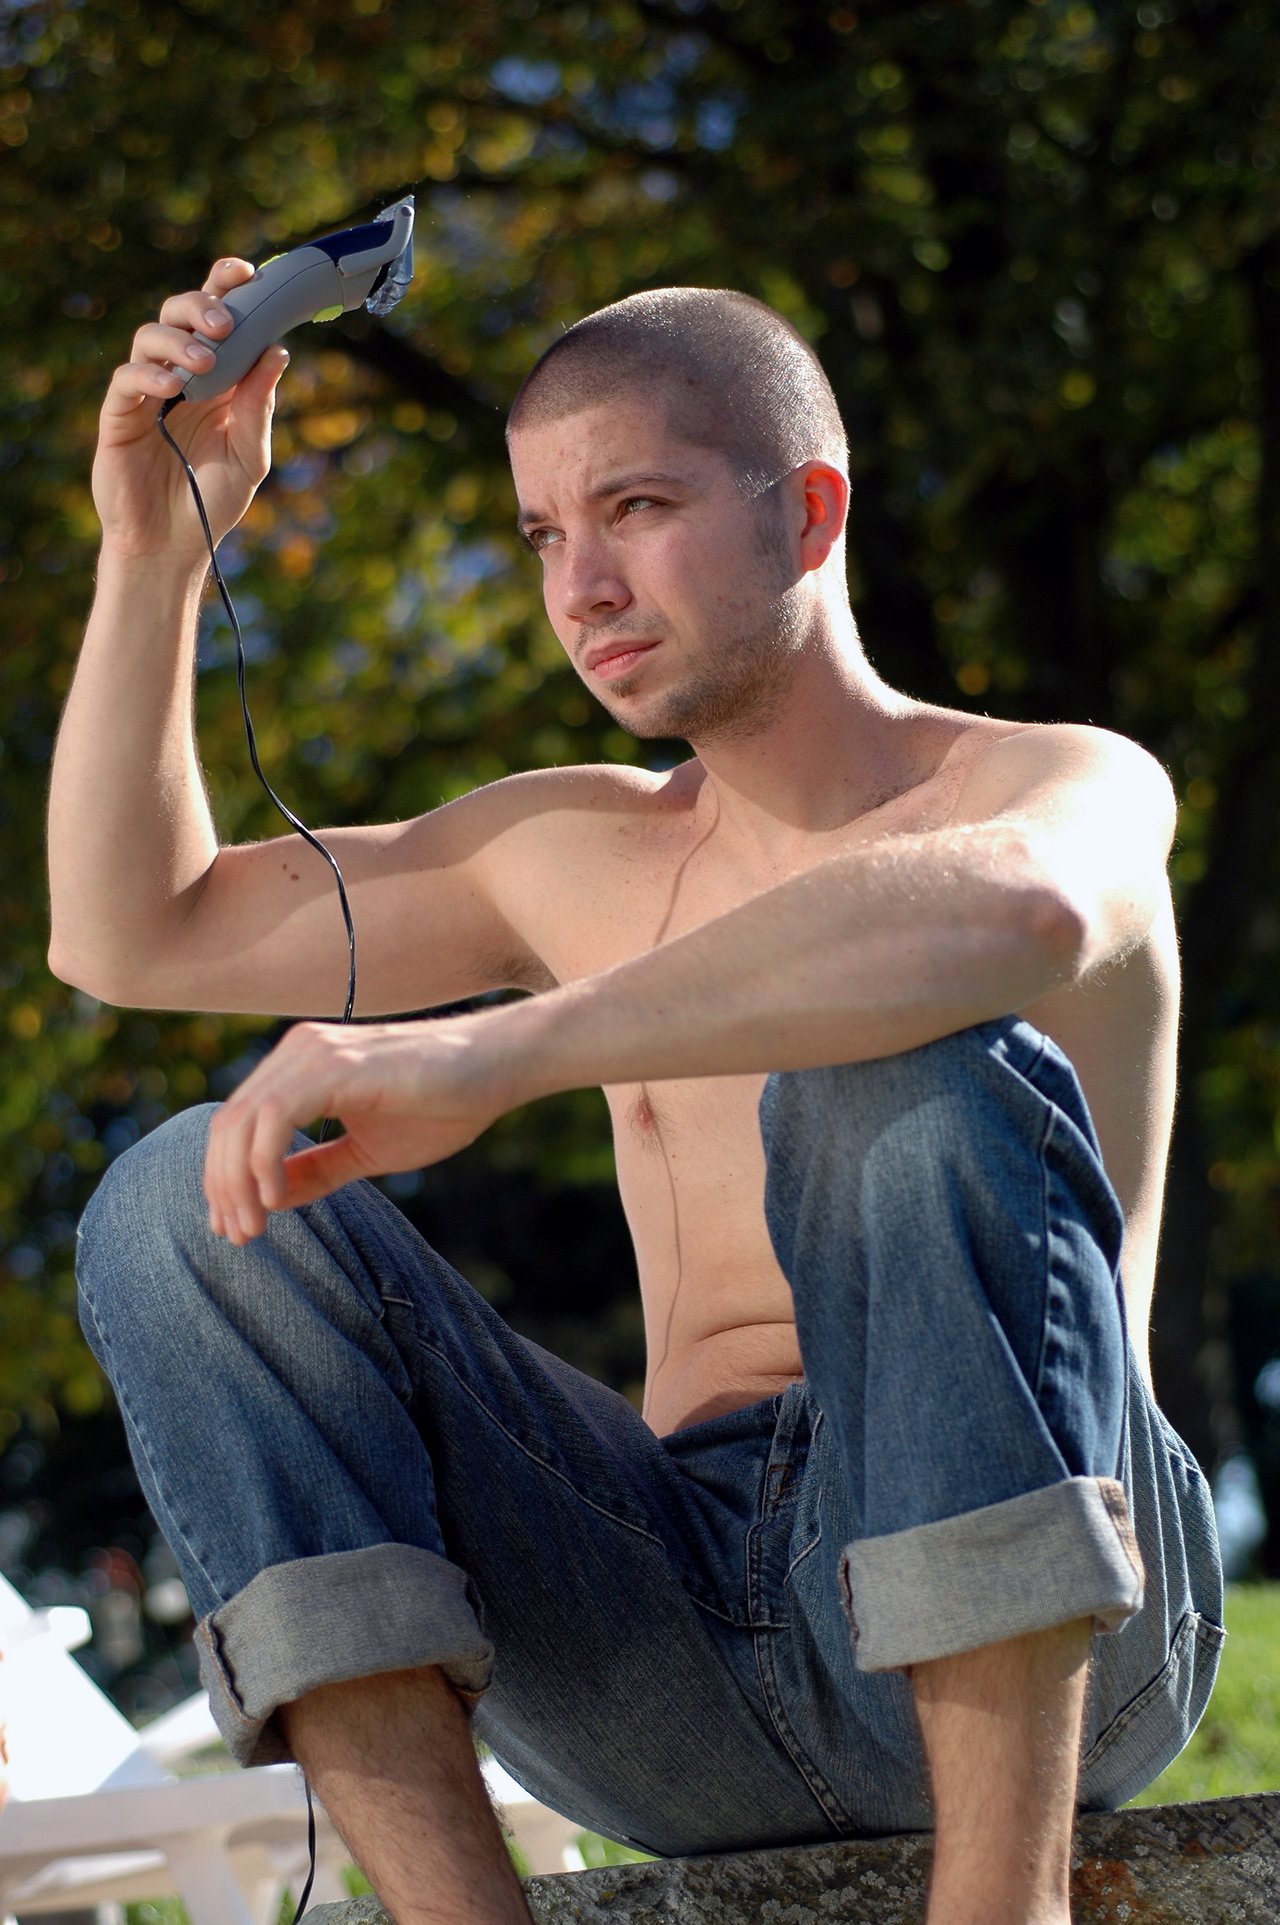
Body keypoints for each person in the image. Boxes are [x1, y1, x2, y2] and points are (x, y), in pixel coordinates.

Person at [48, 260, 1224, 1925]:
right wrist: (157, 552)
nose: (581, 583)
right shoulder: (569, 847)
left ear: (809, 513)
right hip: (671, 1645)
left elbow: (1015, 915)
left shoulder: (1055, 782)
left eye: (639, 506)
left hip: (1065, 1623)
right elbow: (125, 931)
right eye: (542, 534)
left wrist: (494, 1050)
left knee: (894, 1058)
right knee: (186, 1203)